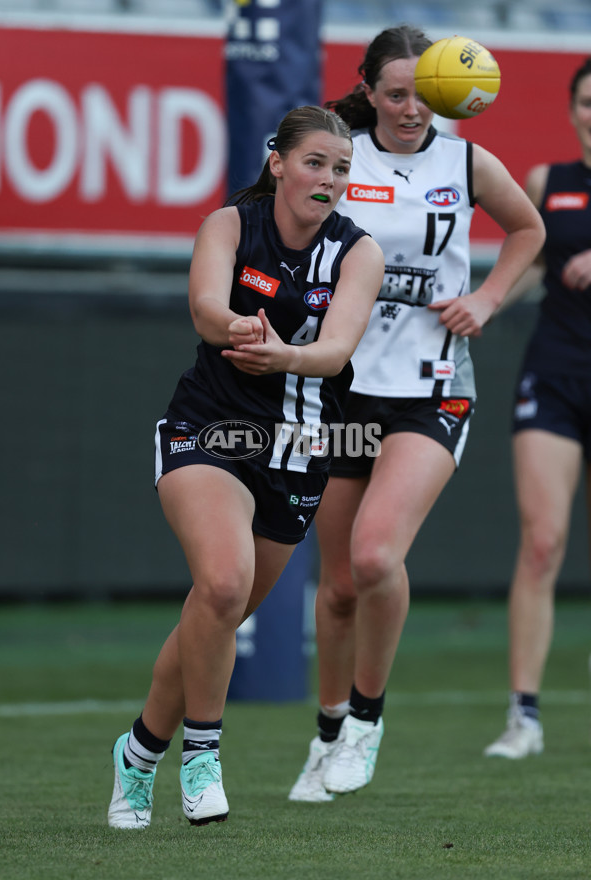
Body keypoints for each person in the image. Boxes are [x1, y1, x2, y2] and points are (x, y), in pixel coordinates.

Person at [107, 105, 385, 828]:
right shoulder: (230, 225)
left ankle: (137, 755)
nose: (329, 179)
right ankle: (203, 754)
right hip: (211, 429)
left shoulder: (359, 253)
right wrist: (236, 327)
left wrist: (284, 355)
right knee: (223, 582)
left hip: (299, 450)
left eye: (343, 168)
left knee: (215, 613)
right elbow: (204, 307)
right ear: (279, 165)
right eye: (316, 163)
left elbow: (336, 350)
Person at [288, 25, 546, 802]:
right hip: (343, 389)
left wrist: (487, 298)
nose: (409, 109)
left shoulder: (462, 160)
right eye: (393, 94)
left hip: (432, 386)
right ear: (367, 91)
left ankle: (367, 720)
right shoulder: (342, 157)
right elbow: (283, 232)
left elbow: (528, 228)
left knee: (374, 557)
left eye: (420, 94)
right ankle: (327, 732)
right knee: (335, 587)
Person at [484, 57, 591, 760]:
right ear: (573, 109)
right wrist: (474, 306)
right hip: (554, 374)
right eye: (587, 101)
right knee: (543, 542)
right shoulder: (548, 184)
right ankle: (523, 716)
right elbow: (516, 274)